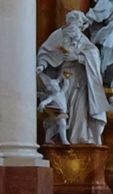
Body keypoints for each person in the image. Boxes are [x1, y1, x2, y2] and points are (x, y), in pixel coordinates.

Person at [37, 10, 107, 145]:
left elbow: (93, 55)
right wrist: (42, 65)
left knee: (80, 106)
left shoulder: (83, 39)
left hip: (80, 77)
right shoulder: (58, 36)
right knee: (61, 103)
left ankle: (79, 137)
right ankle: (60, 136)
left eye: (81, 24)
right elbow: (46, 52)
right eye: (78, 22)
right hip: (63, 76)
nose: (80, 26)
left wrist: (77, 57)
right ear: (70, 21)